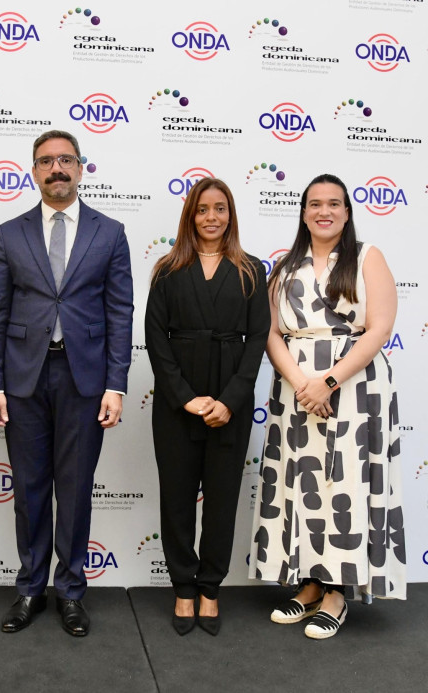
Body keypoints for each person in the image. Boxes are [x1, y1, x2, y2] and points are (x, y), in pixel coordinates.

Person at [0, 130, 133, 637]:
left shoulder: (108, 232)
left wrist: (117, 385)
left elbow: (119, 313)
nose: (56, 169)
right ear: (34, 171)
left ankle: (70, 591)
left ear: (81, 167)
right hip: (23, 378)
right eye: (46, 161)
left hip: (84, 378)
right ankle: (30, 588)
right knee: (28, 488)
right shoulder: (10, 232)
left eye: (65, 160)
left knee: (75, 489)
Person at [249, 173, 406, 639]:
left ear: (347, 212)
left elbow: (378, 329)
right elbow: (272, 333)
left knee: (346, 483)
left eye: (334, 204)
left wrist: (331, 380)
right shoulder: (285, 265)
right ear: (303, 212)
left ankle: (338, 593)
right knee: (304, 481)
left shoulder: (367, 257)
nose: (324, 211)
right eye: (315, 203)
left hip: (356, 390)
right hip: (297, 392)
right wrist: (302, 383)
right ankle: (311, 584)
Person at [145, 177, 270, 636]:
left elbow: (258, 339)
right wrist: (186, 398)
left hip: (230, 404)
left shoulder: (252, 270)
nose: (211, 217)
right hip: (177, 404)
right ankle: (182, 588)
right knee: (177, 500)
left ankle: (210, 589)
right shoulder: (167, 270)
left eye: (220, 208)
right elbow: (155, 339)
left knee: (221, 501)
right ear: (190, 216)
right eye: (202, 209)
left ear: (230, 215)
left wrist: (231, 401)